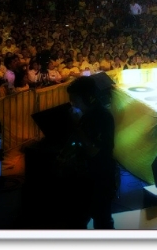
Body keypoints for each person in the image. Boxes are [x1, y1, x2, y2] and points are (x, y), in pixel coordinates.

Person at [66, 76, 116, 229]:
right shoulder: (85, 116)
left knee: (102, 222)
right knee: (78, 220)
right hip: (85, 178)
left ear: (88, 97)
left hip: (101, 179)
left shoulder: (103, 117)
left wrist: (77, 127)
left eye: (75, 99)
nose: (72, 103)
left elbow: (93, 151)